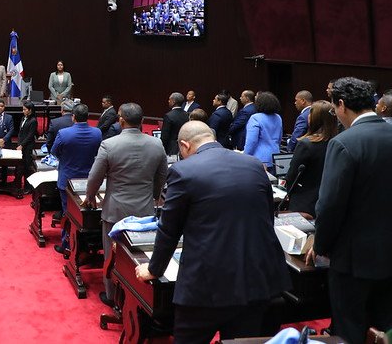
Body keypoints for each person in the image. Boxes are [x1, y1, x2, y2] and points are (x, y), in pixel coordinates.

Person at [135, 121, 290, 343]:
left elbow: (169, 230)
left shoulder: (183, 171)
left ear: (184, 145)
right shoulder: (254, 164)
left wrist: (153, 269)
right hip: (254, 280)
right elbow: (267, 217)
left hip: (206, 285)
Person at [307, 77, 392, 344]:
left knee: (350, 329)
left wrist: (320, 244)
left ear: (341, 104)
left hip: (353, 260)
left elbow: (330, 205)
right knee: (383, 330)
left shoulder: (344, 142)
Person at [84, 103, 167, 308]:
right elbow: (162, 176)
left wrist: (90, 196)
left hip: (115, 210)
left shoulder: (109, 144)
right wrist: (154, 196)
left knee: (111, 255)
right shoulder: (156, 144)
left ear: (121, 121)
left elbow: (94, 177)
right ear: (142, 121)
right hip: (144, 209)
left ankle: (112, 296)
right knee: (139, 254)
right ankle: (137, 297)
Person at [51, 103, 102, 253]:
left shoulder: (63, 133)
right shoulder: (97, 133)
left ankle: (67, 245)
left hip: (68, 179)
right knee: (88, 212)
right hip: (89, 179)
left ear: (73, 117)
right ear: (88, 117)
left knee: (68, 213)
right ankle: (86, 244)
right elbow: (98, 153)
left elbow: (54, 152)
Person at [285, 100, 337, 217]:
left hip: (304, 202)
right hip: (329, 201)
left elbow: (292, 175)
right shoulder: (338, 142)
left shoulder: (306, 144)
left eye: (310, 113)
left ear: (315, 118)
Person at [244, 91, 283, 173]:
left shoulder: (255, 118)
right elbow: (279, 138)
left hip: (259, 158)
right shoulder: (278, 117)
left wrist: (245, 156)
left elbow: (251, 141)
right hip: (275, 157)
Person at [14, 100, 38, 198]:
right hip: (21, 144)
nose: (23, 111)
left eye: (25, 109)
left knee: (27, 167)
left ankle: (28, 187)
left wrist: (22, 145)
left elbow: (30, 136)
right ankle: (19, 185)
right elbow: (21, 132)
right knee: (20, 166)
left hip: (28, 147)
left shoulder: (33, 121)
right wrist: (19, 143)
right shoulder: (23, 118)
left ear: (30, 110)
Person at [0, 97, 15, 184]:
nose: (0, 108)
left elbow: (11, 130)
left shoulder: (9, 117)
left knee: (5, 163)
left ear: (4, 107)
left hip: (6, 143)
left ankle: (4, 181)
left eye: (2, 106)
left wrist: (3, 140)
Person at [161, 92, 189, 157]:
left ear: (173, 102)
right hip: (184, 146)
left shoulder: (168, 116)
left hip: (171, 149)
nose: (168, 101)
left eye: (169, 99)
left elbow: (164, 137)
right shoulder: (187, 114)